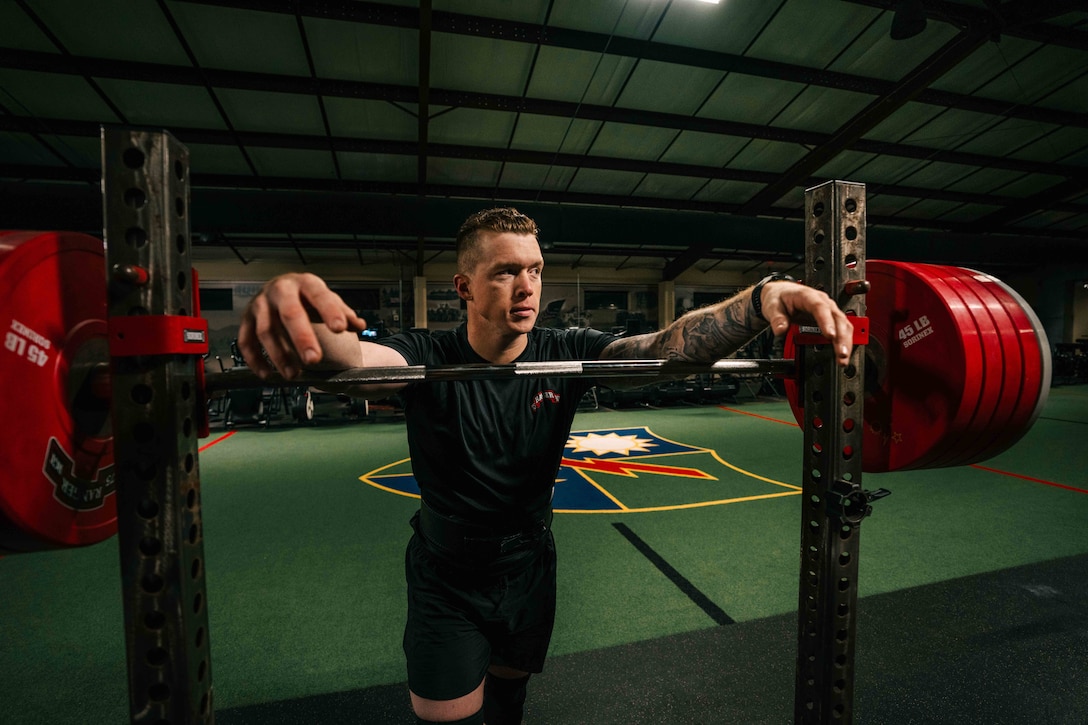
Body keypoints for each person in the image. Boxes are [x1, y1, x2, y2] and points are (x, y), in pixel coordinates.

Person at [238, 207, 854, 725]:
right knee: (444, 716)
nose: (527, 286)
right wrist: (306, 328)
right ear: (464, 287)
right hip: (447, 572)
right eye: (506, 272)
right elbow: (355, 361)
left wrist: (761, 297)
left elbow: (664, 351)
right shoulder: (424, 353)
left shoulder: (568, 351)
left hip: (529, 562)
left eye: (533, 269)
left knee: (509, 698)